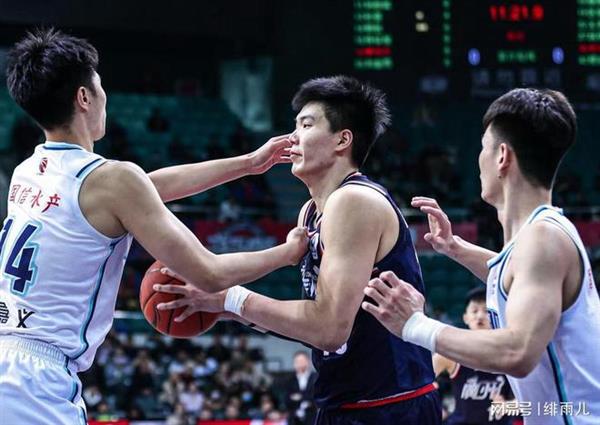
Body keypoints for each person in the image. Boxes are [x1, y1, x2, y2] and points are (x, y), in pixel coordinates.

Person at [0, 28, 308, 425]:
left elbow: (147, 188)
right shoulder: (112, 182)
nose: (105, 97)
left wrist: (249, 163)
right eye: (100, 86)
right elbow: (210, 274)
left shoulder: (28, 172)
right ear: (84, 97)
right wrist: (287, 253)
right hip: (34, 382)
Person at [155, 75, 442, 424]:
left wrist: (231, 299)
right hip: (343, 401)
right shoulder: (311, 212)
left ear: (342, 140)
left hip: (389, 404)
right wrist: (224, 307)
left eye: (306, 125)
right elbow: (313, 323)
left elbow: (329, 329)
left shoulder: (354, 201)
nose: (292, 137)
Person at [360, 88, 600, 424]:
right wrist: (454, 247)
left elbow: (517, 352)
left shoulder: (543, 240)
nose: (478, 159)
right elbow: (515, 279)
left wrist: (415, 325)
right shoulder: (540, 237)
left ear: (502, 156)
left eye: (483, 148)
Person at [433, 287, 513, 425]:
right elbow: (419, 382)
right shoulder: (451, 354)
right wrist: (437, 407)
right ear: (465, 318)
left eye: (486, 311)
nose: (480, 316)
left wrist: (509, 406)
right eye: (475, 311)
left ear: (497, 315)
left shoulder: (511, 354)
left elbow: (535, 402)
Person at [284, 351, 317, 425]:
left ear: (308, 362)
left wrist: (300, 397)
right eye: (297, 361)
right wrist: (306, 397)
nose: (300, 364)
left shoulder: (315, 378)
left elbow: (315, 397)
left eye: (302, 361)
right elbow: (287, 399)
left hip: (312, 417)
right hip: (294, 419)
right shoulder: (290, 380)